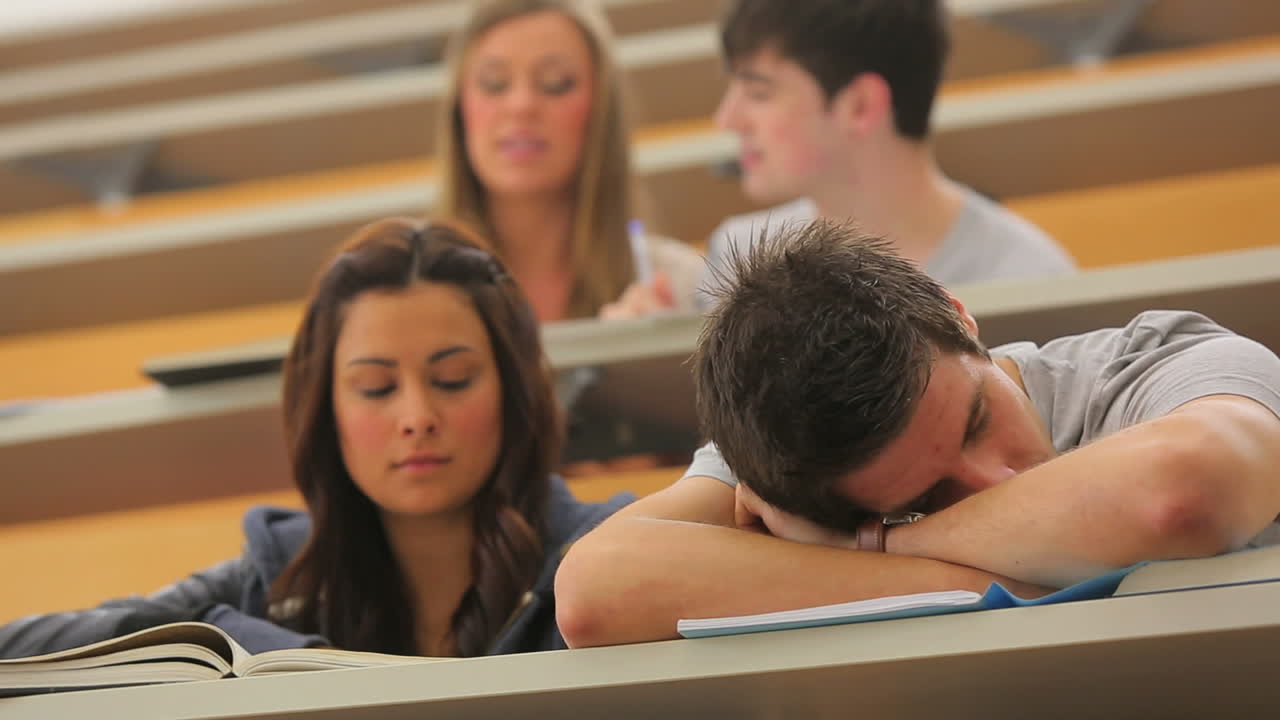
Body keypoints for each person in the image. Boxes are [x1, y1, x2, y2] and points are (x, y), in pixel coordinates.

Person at [555, 218, 1280, 648]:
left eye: (977, 419)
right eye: (929, 495)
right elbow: (593, 594)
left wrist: (873, 544)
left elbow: (1182, 497)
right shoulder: (790, 450)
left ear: (958, 317)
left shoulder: (1154, 359)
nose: (1000, 479)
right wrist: (1000, 575)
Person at [0, 218, 631, 660]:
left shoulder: (601, 549)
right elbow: (27, 650)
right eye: (376, 388)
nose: (415, 416)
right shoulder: (275, 579)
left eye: (452, 379)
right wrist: (213, 637)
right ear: (325, 410)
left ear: (513, 392)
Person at [699, 0, 1075, 299]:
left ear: (860, 105)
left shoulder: (1030, 282)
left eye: (759, 93)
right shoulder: (739, 261)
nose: (727, 118)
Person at [435, 0, 704, 322]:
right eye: (494, 83)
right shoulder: (405, 289)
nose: (521, 105)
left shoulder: (680, 285)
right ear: (459, 110)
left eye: (555, 83)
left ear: (601, 112)